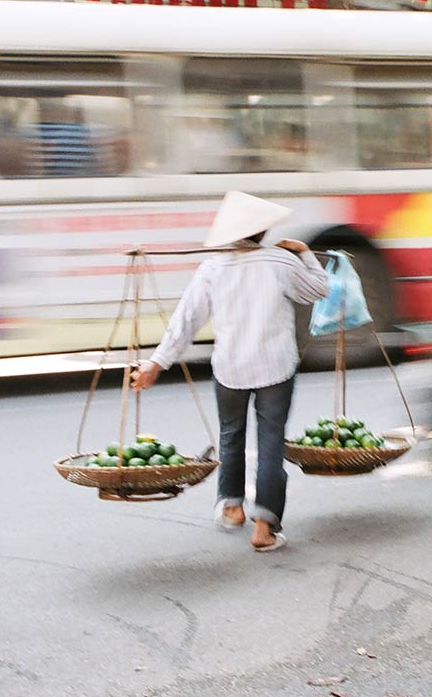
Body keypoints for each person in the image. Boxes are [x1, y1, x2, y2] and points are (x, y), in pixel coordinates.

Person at [131, 190, 329, 553]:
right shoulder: (281, 262)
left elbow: (186, 321)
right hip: (275, 367)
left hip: (230, 368)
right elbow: (319, 290)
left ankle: (233, 507)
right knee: (270, 443)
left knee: (230, 435)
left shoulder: (212, 268)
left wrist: (156, 363)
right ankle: (264, 528)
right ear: (263, 231)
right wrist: (305, 253)